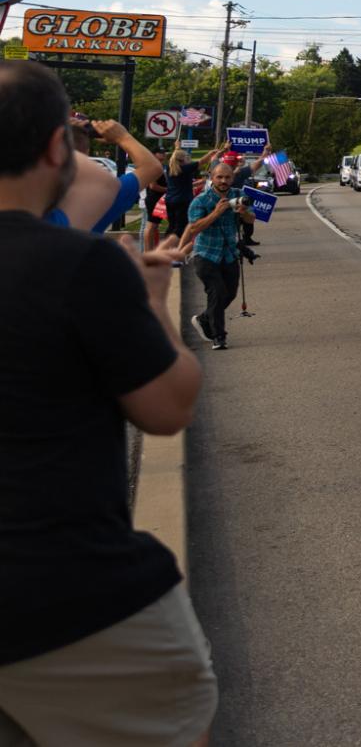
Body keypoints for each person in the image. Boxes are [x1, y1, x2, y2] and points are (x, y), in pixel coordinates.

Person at [0, 60, 215, 747]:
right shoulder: (77, 264)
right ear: (56, 149)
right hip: (61, 599)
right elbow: (167, 408)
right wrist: (149, 303)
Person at [48, 117, 164, 234]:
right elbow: (152, 167)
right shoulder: (101, 196)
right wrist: (122, 137)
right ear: (87, 151)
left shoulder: (34, 196)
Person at [181, 162, 252, 350]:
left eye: (227, 177)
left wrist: (244, 213)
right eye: (219, 177)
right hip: (206, 254)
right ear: (211, 178)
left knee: (229, 294)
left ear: (232, 178)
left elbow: (251, 219)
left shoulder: (238, 195)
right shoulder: (200, 201)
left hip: (229, 254)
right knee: (217, 293)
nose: (223, 181)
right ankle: (218, 336)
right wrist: (216, 213)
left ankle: (204, 319)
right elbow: (194, 227)